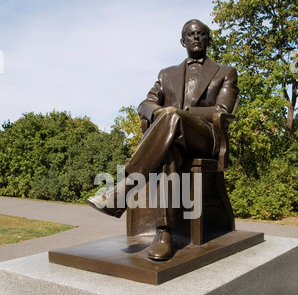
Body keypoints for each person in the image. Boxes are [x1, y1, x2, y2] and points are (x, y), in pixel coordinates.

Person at [87, 19, 239, 261]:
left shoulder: (225, 72)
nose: (196, 37)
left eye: (201, 34)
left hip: (205, 137)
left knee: (171, 115)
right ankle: (164, 233)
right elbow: (145, 104)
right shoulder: (166, 74)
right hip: (173, 138)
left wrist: (177, 113)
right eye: (190, 35)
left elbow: (221, 110)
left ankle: (124, 188)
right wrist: (161, 113)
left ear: (208, 39)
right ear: (182, 41)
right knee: (168, 148)